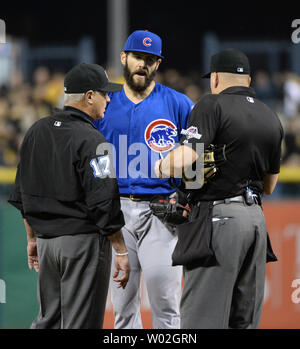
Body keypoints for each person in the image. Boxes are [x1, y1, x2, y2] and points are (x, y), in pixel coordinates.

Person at [155, 49, 283, 329]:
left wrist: (162, 166)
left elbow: (187, 159)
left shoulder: (211, 105)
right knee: (243, 321)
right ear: (248, 80)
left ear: (214, 78)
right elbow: (270, 185)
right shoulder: (270, 116)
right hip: (256, 223)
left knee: (201, 321)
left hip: (220, 219)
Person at [8, 63, 130, 329]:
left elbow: (21, 194)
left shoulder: (36, 131)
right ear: (88, 96)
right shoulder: (93, 140)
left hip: (46, 244)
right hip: (81, 244)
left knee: (48, 322)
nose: (108, 99)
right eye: (104, 93)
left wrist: (32, 238)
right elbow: (104, 201)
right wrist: (120, 249)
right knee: (80, 324)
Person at [94, 30, 194, 329]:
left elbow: (197, 159)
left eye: (151, 60)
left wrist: (188, 195)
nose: (143, 64)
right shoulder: (105, 104)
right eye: (138, 57)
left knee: (166, 303)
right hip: (117, 212)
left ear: (158, 64)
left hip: (161, 212)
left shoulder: (179, 104)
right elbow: (94, 155)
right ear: (124, 58)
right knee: (123, 308)